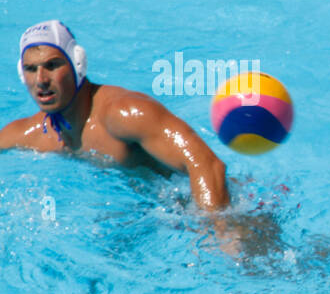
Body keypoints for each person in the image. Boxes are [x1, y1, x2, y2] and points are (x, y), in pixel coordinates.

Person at [2, 20, 230, 211]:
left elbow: (207, 165)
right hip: (146, 211)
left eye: (52, 65)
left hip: (208, 203)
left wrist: (215, 230)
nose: (40, 80)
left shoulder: (125, 113)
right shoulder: (31, 134)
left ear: (77, 64)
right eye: (31, 69)